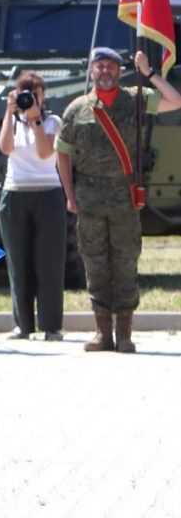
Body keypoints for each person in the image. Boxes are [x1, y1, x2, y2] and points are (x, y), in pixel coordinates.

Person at [56, 47, 181, 353]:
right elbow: (63, 155)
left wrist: (148, 72)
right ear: (91, 71)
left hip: (125, 198)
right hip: (89, 199)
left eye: (111, 66)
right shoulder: (77, 109)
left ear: (119, 70)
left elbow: (176, 101)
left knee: (125, 262)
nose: (105, 71)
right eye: (100, 66)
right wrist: (69, 196)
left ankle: (124, 333)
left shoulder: (136, 99)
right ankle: (102, 333)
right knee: (95, 263)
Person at [0, 71, 66, 341]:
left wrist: (35, 119)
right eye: (24, 95)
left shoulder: (52, 122)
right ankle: (22, 325)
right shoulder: (12, 122)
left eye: (34, 95)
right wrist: (9, 112)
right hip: (15, 194)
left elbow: (45, 153)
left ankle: (51, 326)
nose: (29, 100)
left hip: (48, 193)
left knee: (49, 263)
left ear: (43, 96)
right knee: (18, 262)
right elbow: (4, 147)